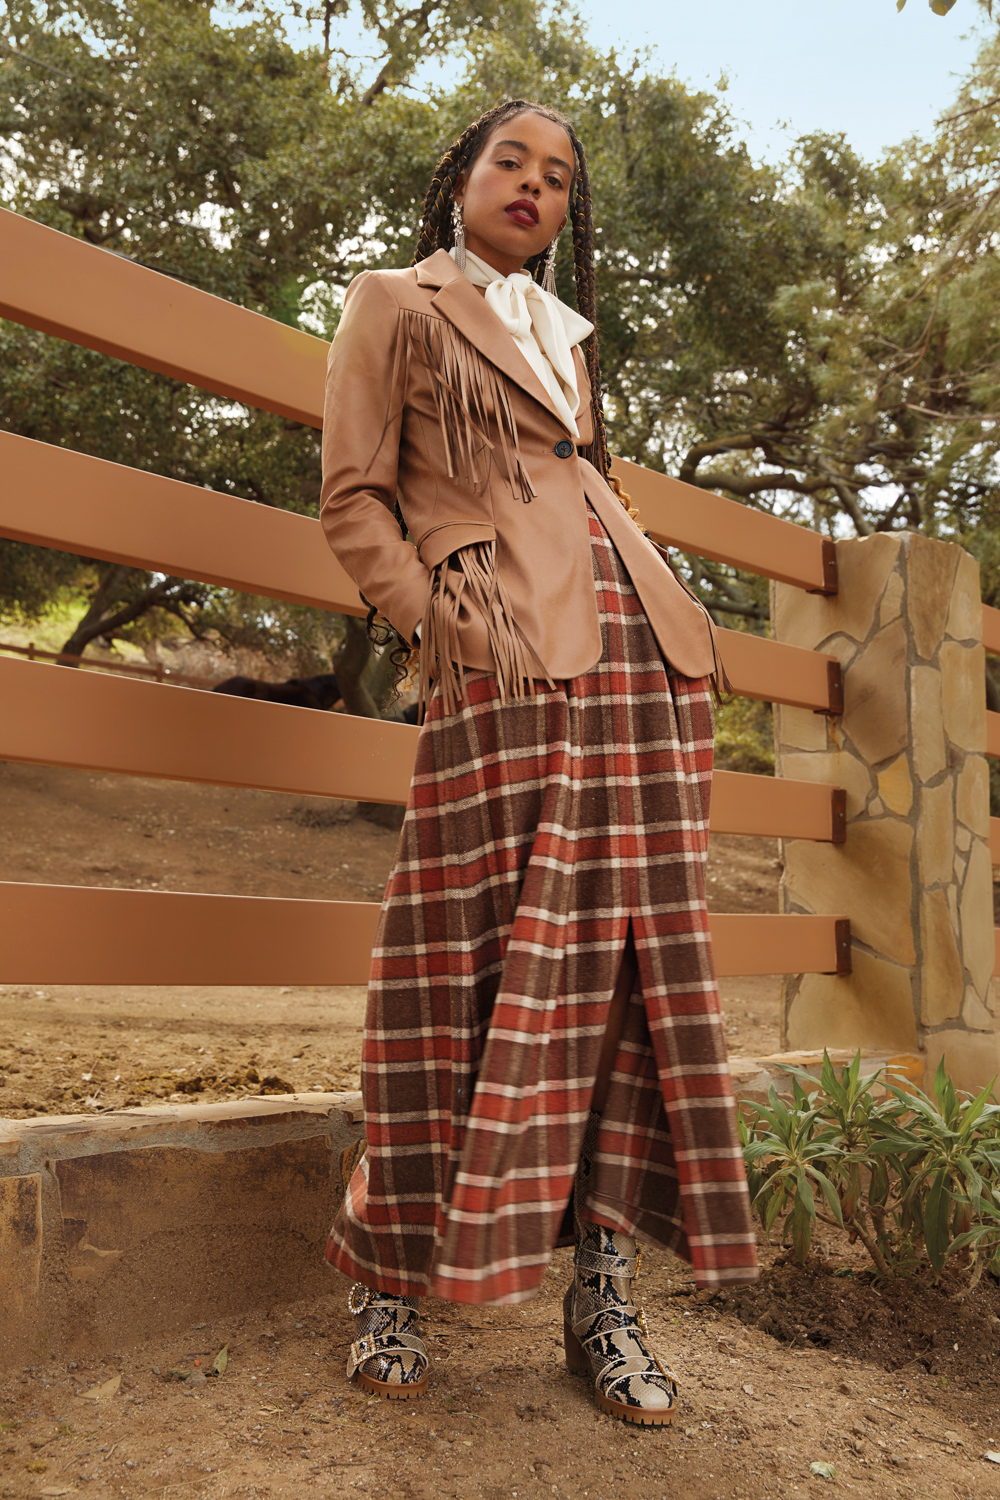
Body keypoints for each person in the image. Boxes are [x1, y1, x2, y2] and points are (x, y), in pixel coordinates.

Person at [319, 98, 757, 1427]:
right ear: (461, 173)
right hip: (502, 667)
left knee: (629, 976)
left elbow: (581, 488)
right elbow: (352, 495)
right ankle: (389, 1280)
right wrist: (442, 627)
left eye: (559, 177)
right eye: (513, 159)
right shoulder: (393, 302)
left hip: (643, 671)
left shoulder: (570, 338)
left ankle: (603, 1296)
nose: (534, 185)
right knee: (454, 958)